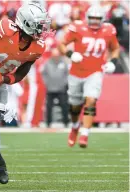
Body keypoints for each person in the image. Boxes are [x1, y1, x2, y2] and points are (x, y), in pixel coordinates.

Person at [0, 2, 53, 183]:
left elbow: (23, 70)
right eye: (39, 25)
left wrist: (5, 80)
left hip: (1, 84)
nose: (43, 29)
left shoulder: (38, 46)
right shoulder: (6, 29)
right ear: (27, 24)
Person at [58, 5, 120, 148]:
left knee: (90, 100)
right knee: (75, 106)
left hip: (95, 72)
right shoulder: (78, 28)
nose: (94, 21)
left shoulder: (108, 30)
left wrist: (113, 62)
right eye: (92, 18)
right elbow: (61, 44)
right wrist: (70, 54)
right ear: (87, 18)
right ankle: (75, 126)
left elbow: (115, 48)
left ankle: (85, 133)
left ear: (102, 19)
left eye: (97, 19)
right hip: (76, 72)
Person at [41, 47, 69, 128]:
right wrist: (47, 83)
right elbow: (44, 74)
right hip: (50, 89)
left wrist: (64, 83)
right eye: (54, 55)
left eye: (57, 55)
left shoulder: (64, 62)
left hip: (61, 89)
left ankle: (66, 122)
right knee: (49, 106)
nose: (56, 56)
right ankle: (48, 123)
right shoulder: (47, 63)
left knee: (64, 105)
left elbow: (67, 74)